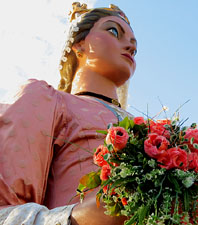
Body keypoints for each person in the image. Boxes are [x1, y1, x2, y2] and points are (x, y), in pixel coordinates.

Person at [0, 2, 137, 225]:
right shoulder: (46, 100)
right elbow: (5, 208)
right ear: (78, 44)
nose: (130, 48)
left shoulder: (153, 129)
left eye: (134, 46)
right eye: (113, 31)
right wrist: (77, 218)